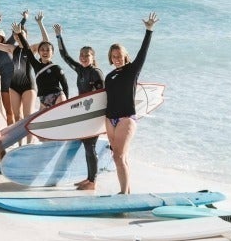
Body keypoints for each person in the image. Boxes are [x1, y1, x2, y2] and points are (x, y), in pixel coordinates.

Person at [105, 13, 158, 194]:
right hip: (109, 119)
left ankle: (123, 193)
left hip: (126, 119)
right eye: (114, 56)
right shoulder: (109, 76)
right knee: (119, 158)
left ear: (125, 56)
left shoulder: (132, 70)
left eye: (119, 55)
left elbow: (143, 53)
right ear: (110, 58)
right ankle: (126, 192)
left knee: (118, 157)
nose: (117, 59)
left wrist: (149, 30)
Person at [55, 23, 104, 190]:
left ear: (93, 57)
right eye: (81, 55)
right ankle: (89, 178)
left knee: (90, 146)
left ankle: (93, 182)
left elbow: (102, 97)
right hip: (84, 115)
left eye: (87, 55)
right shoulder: (80, 70)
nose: (83, 57)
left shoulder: (96, 72)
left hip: (93, 116)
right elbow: (65, 56)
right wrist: (59, 36)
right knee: (87, 146)